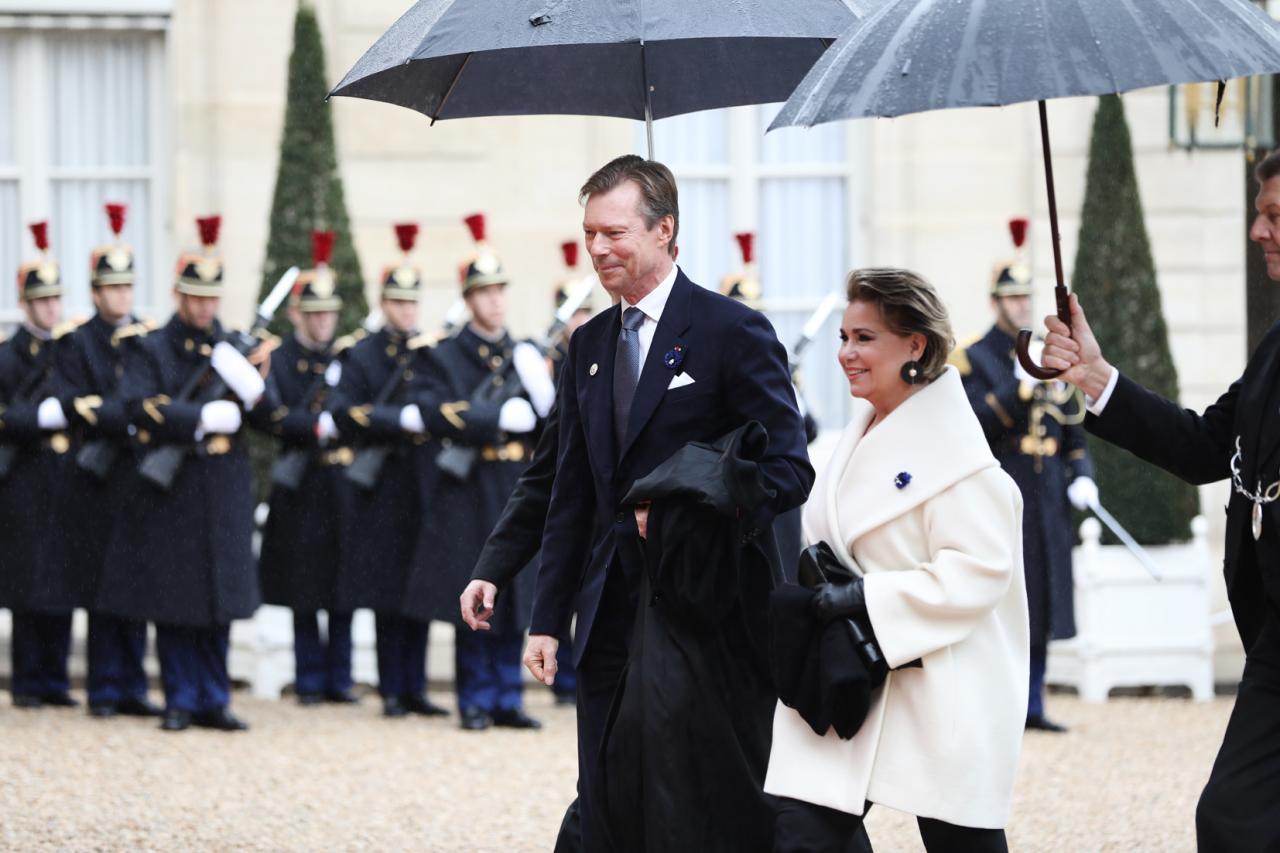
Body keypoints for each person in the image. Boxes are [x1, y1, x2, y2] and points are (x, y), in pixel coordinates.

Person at [523, 155, 814, 850]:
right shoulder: (588, 345)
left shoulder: (730, 331)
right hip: (607, 619)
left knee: (699, 810)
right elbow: (570, 494)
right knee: (606, 800)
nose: (598, 248)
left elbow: (786, 467)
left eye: (614, 233)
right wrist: (544, 617)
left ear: (664, 230)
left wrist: (690, 505)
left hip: (705, 617)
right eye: (590, 232)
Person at [1040, 148, 1280, 852]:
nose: (1256, 231)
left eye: (1273, 216)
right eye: (1258, 215)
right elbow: (1205, 445)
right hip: (1275, 638)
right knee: (1231, 818)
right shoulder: (1273, 349)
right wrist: (1095, 376)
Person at [765, 268, 1028, 852]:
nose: (846, 354)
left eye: (865, 338)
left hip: (940, 686)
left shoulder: (964, 462)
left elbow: (979, 571)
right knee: (801, 828)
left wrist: (864, 597)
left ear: (915, 345)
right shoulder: (857, 433)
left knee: (962, 843)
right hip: (847, 675)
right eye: (843, 337)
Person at [98, 216, 269, 732]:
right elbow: (137, 406)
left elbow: (270, 415)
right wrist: (195, 418)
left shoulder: (235, 345)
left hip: (224, 483)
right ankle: (179, 697)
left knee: (218, 600)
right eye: (195, 297)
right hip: (176, 485)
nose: (203, 307)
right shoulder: (152, 347)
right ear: (178, 294)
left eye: (211, 297)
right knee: (176, 599)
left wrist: (253, 386)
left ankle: (213, 697)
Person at [401, 213, 553, 731]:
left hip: (513, 486)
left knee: (514, 597)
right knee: (477, 595)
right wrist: (493, 418)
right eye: (484, 292)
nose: (494, 301)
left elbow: (553, 425)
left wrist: (543, 394)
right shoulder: (445, 353)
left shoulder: (523, 353)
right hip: (467, 491)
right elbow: (430, 409)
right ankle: (475, 698)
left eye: (499, 291)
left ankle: (508, 697)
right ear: (468, 299)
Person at [951, 218, 1096, 732]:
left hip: (1047, 491)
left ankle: (1033, 703)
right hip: (1003, 486)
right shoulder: (972, 356)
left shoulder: (1045, 354)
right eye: (1011, 299)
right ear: (996, 302)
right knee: (1008, 598)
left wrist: (1082, 472)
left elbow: (1073, 423)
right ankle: (1004, 703)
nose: (1021, 306)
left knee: (1046, 597)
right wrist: (1015, 390)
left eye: (1025, 298)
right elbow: (971, 426)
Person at [47, 204, 161, 718]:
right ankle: (104, 687)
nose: (121, 296)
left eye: (127, 288)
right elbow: (76, 404)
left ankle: (134, 685)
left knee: (135, 584)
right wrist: (125, 415)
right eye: (112, 288)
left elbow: (149, 403)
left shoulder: (147, 338)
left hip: (135, 474)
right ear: (96, 292)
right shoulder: (78, 341)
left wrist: (125, 415)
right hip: (95, 478)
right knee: (98, 584)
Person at [329, 223, 445, 719]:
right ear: (384, 303)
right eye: (399, 303)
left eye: (413, 303)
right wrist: (396, 419)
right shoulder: (363, 352)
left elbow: (442, 404)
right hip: (380, 486)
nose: (407, 311)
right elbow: (342, 411)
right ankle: (392, 687)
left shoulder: (430, 350)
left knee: (418, 588)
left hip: (419, 482)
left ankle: (415, 686)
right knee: (384, 590)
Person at [257, 231, 358, 706]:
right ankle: (309, 677)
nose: (322, 322)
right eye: (314, 313)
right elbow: (270, 415)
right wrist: (314, 427)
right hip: (301, 481)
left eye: (329, 313)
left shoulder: (349, 357)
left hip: (340, 481)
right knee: (302, 585)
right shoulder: (280, 357)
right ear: (297, 313)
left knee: (343, 584)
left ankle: (339, 678)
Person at [0, 222, 77, 709]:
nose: (51, 308)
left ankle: (57, 677)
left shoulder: (71, 349)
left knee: (64, 579)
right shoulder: (8, 355)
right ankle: (28, 679)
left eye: (55, 299)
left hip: (65, 478)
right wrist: (36, 419)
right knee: (27, 580)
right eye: (42, 300)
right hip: (25, 477)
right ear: (26, 304)